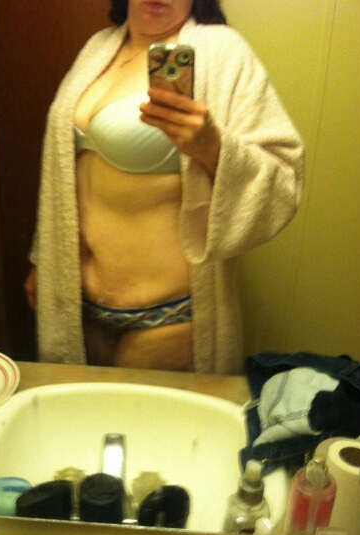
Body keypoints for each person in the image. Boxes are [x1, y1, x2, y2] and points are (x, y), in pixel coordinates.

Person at [24, 0, 305, 374]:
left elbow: (283, 177)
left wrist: (212, 147)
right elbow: (63, 175)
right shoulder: (98, 47)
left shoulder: (223, 51)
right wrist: (42, 260)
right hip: (82, 310)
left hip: (168, 323)